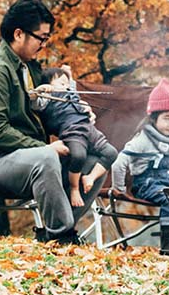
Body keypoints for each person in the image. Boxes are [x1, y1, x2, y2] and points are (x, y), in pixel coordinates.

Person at [0, 0, 107, 244]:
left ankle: (54, 234)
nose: (44, 44)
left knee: (96, 160)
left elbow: (47, 115)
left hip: (30, 159)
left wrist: (77, 115)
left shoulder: (30, 68)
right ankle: (63, 236)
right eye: (41, 37)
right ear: (19, 34)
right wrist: (43, 147)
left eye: (46, 38)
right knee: (46, 157)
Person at [111, 78, 169, 254]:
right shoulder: (142, 140)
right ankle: (168, 249)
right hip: (146, 184)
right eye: (167, 118)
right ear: (154, 118)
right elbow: (118, 163)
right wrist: (119, 189)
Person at [34, 67, 118, 208]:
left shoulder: (71, 92)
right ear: (49, 85)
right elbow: (34, 102)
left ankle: (89, 177)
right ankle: (74, 188)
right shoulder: (47, 98)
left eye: (67, 84)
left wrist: (68, 74)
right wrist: (42, 90)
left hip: (89, 129)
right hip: (72, 132)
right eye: (61, 83)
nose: (66, 86)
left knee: (111, 153)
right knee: (78, 156)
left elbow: (71, 83)